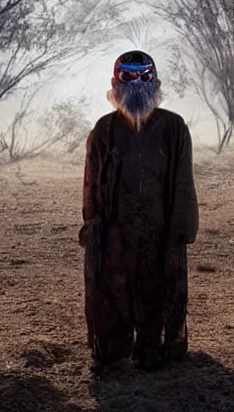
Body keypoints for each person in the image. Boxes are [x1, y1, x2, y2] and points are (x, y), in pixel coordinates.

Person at [79, 49, 198, 374]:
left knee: (162, 289)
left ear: (155, 81)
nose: (137, 84)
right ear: (115, 83)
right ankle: (113, 352)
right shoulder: (103, 130)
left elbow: (183, 183)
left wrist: (180, 231)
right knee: (113, 292)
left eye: (144, 76)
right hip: (116, 232)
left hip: (161, 229)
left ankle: (159, 348)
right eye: (128, 77)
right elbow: (91, 184)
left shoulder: (173, 127)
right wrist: (93, 227)